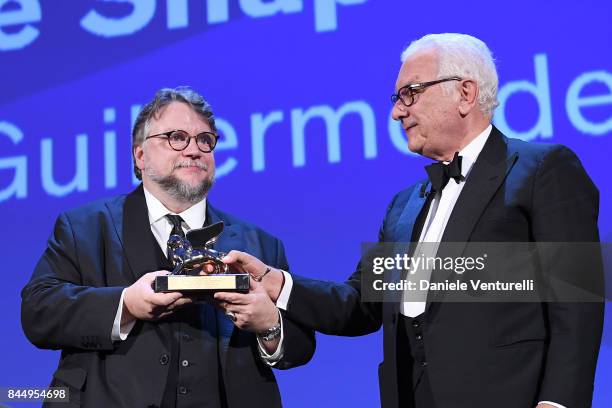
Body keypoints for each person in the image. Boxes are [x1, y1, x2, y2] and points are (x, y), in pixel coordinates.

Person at [217, 34, 604, 408]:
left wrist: (558, 402)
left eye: (410, 94)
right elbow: (360, 305)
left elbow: (576, 303)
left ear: (465, 94)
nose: (396, 111)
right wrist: (275, 281)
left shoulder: (542, 169)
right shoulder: (404, 206)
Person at [21, 86, 314, 408]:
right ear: (140, 155)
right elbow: (39, 312)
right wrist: (126, 304)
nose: (194, 150)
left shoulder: (259, 244)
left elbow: (300, 346)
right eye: (176, 137)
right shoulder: (85, 227)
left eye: (205, 140)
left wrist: (270, 325)